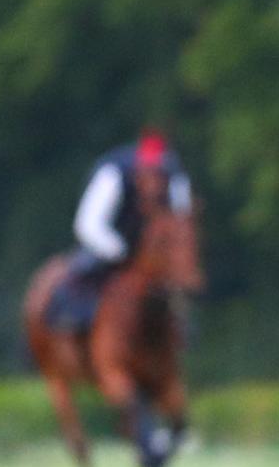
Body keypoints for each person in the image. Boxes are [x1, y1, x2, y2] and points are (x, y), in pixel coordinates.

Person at [47, 130, 193, 332]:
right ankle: (70, 320)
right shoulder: (113, 174)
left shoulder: (174, 177)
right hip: (113, 244)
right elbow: (88, 224)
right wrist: (119, 251)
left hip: (152, 251)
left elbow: (181, 224)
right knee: (82, 273)